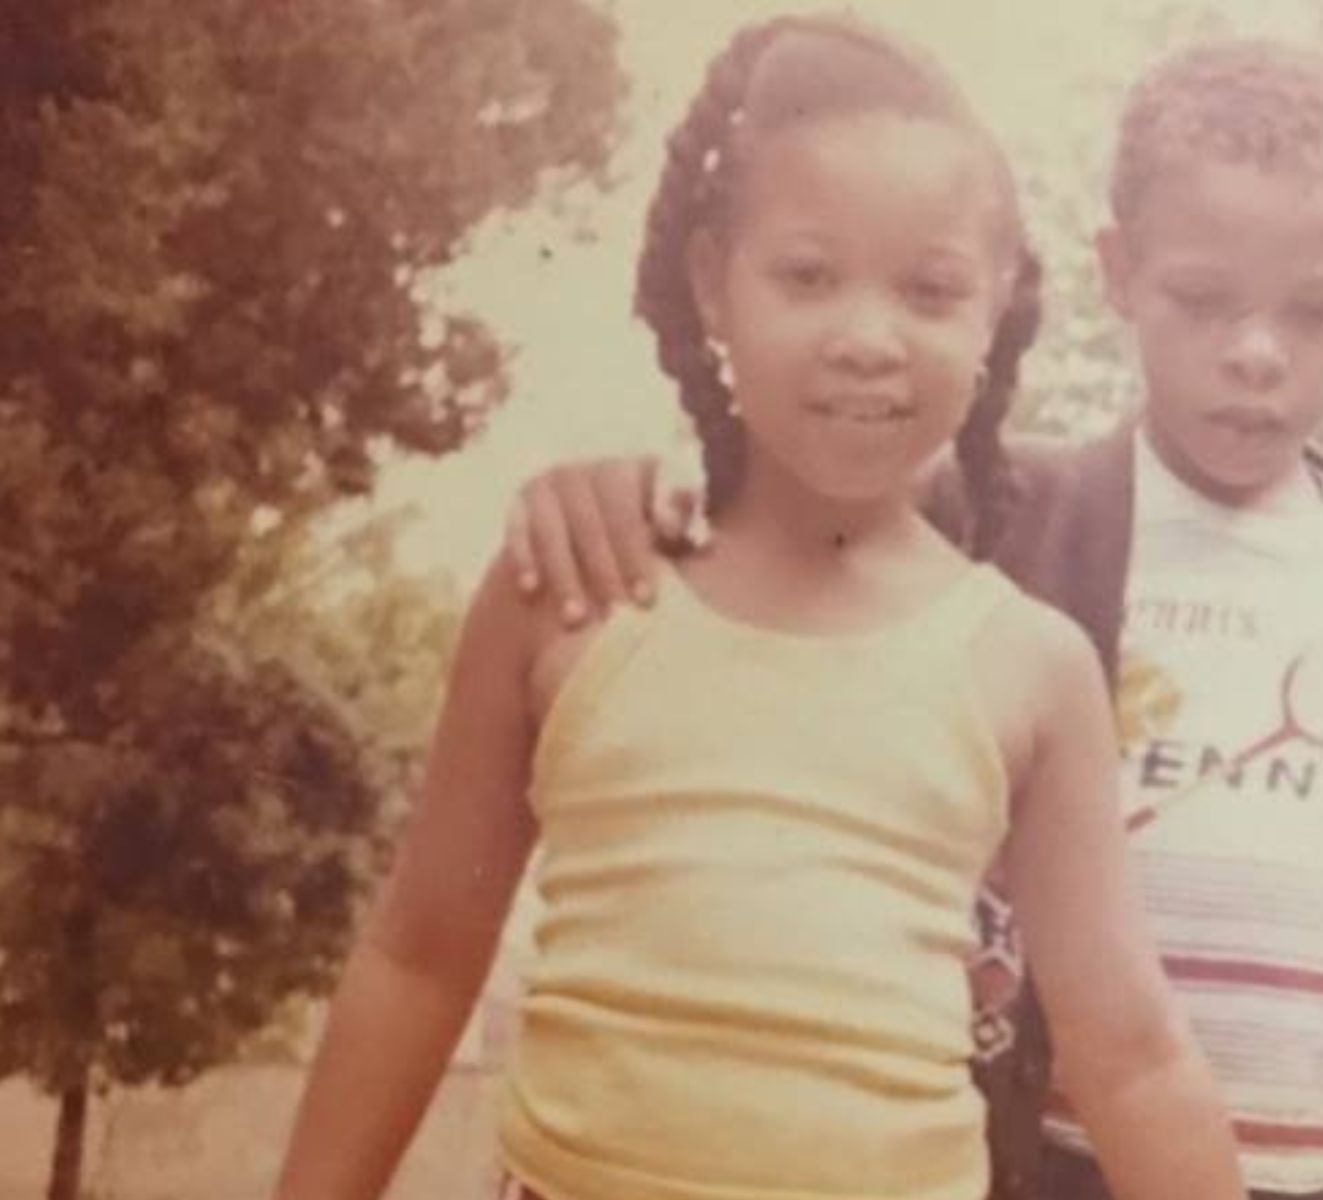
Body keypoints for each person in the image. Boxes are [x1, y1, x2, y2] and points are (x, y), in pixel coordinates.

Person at [503, 40, 1323, 1200]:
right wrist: (630, 485)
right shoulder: (1009, 512)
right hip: (1062, 1150)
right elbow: (789, 527)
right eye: (1205, 301)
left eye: (1313, 310)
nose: (1257, 352)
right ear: (1119, 274)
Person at [269, 17, 1242, 1200]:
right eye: (807, 274)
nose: (868, 338)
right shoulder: (575, 591)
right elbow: (421, 956)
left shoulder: (1028, 664)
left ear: (994, 316)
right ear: (709, 284)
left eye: (930, 289)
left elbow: (1129, 1054)